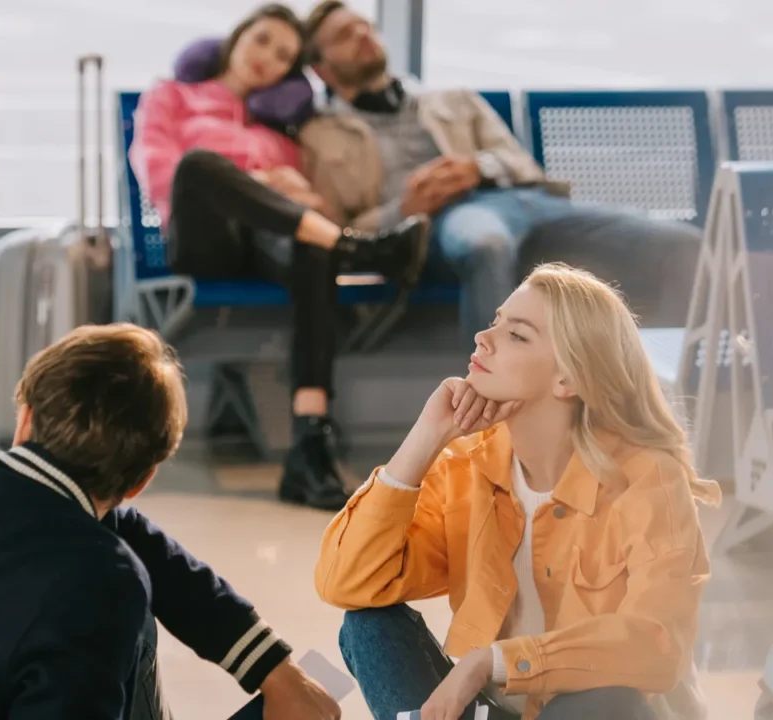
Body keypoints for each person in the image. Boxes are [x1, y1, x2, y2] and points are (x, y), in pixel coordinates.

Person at [0, 324, 341, 720]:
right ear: (141, 480)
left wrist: (277, 670)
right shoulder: (104, 580)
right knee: (133, 609)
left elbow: (153, 556)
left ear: (25, 417)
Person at [314, 264, 722, 720]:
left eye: (517, 335)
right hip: (496, 710)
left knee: (610, 699)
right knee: (369, 626)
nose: (483, 339)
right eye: (495, 322)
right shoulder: (469, 465)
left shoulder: (648, 478)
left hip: (597, 712)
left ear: (567, 379)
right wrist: (424, 438)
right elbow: (347, 582)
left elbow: (656, 643)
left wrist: (494, 661)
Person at [129, 2, 429, 512]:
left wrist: (296, 192)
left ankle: (309, 444)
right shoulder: (173, 97)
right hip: (204, 239)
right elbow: (164, 175)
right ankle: (355, 246)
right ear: (239, 37)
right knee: (202, 164)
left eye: (284, 55)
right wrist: (264, 181)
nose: (267, 58)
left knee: (313, 243)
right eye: (262, 40)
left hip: (264, 245)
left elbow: (303, 209)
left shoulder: (280, 130)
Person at [298, 1, 701, 342]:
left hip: (526, 201)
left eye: (364, 26)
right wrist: (404, 208)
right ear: (322, 68)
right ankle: (496, 419)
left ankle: (664, 392)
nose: (364, 36)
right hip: (447, 219)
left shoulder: (449, 98)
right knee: (485, 243)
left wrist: (476, 168)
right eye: (344, 36)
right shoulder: (320, 135)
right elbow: (336, 229)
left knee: (683, 245)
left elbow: (522, 163)